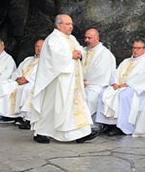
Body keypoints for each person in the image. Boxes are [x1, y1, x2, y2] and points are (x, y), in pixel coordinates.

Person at [29, 14, 96, 144]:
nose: (71, 26)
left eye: (71, 24)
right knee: (52, 107)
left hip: (72, 80)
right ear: (59, 25)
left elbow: (80, 50)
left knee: (74, 106)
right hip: (58, 79)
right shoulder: (53, 39)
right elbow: (53, 57)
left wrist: (80, 53)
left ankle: (81, 133)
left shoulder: (71, 38)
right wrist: (70, 55)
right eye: (67, 24)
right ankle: (41, 132)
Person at [97, 39, 145, 136]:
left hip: (135, 90)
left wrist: (127, 84)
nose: (135, 50)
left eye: (138, 48)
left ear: (144, 49)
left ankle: (121, 127)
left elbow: (142, 78)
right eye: (134, 48)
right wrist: (115, 83)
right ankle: (107, 124)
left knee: (123, 95)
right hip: (120, 86)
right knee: (103, 93)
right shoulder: (126, 61)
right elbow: (116, 73)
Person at [0, 39, 43, 124]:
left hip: (32, 82)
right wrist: (17, 78)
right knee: (4, 86)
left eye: (41, 47)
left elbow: (44, 75)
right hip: (19, 81)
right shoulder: (28, 59)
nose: (39, 49)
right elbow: (17, 71)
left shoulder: (46, 61)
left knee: (27, 89)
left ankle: (25, 118)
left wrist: (27, 79)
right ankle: (5, 115)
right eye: (37, 46)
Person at [81, 28, 117, 127]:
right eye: (85, 38)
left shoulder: (105, 54)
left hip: (97, 85)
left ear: (97, 38)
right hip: (82, 83)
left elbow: (101, 73)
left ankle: (88, 126)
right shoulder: (83, 50)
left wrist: (85, 81)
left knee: (89, 97)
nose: (86, 40)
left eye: (89, 38)